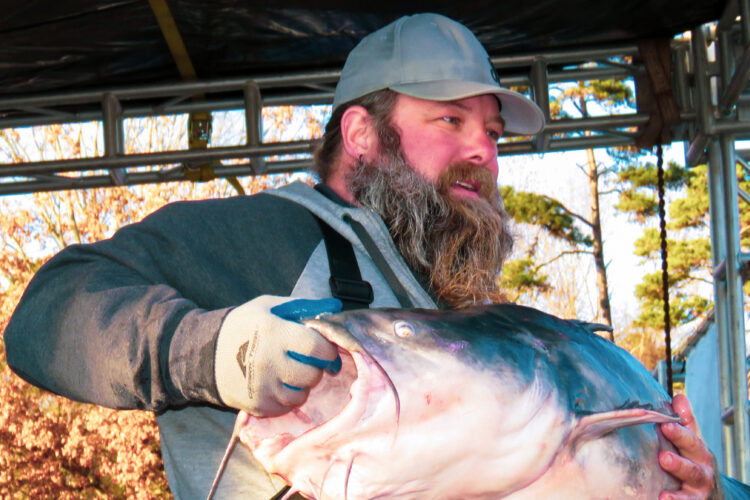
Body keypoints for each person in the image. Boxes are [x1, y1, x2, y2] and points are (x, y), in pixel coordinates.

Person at [2, 12, 738, 500]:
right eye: (449, 119)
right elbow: (46, 314)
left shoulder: (450, 301)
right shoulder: (267, 238)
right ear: (362, 134)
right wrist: (212, 350)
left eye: (491, 132)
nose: (481, 149)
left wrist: (702, 486)